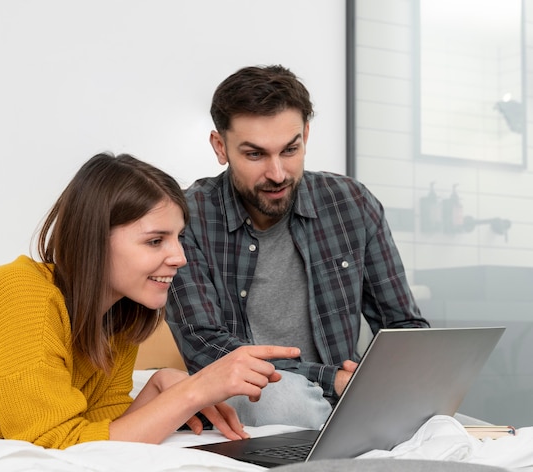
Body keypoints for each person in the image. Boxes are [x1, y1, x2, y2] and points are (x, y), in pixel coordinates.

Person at [0, 152, 301, 448]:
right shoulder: (22, 295)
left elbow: (101, 433)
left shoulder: (118, 318)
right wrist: (194, 391)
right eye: (155, 240)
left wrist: (161, 386)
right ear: (95, 239)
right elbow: (53, 445)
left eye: (178, 237)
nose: (180, 256)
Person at [165, 65, 430, 429]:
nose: (277, 173)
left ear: (306, 134)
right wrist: (330, 379)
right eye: (255, 155)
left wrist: (393, 378)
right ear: (220, 147)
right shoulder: (186, 216)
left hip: (347, 390)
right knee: (287, 403)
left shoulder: (350, 202)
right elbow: (205, 345)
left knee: (442, 415)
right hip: (254, 389)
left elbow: (401, 324)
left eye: (290, 150)